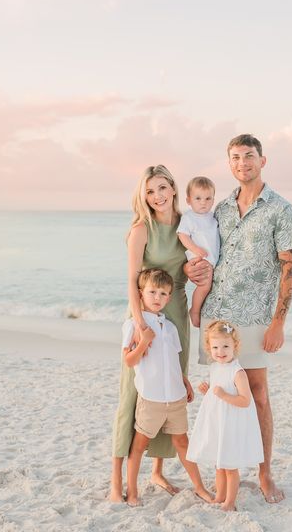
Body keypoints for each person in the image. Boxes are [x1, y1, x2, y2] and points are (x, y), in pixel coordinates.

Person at [185, 134, 292, 504]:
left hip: (255, 316)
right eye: (234, 158)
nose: (241, 163)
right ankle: (227, 469)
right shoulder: (219, 208)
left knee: (259, 395)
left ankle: (265, 473)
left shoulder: (280, 209)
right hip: (218, 315)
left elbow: (289, 268)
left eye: (248, 156)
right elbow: (208, 256)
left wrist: (278, 322)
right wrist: (193, 271)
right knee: (222, 395)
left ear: (262, 161)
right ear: (229, 164)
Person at [110, 165, 190, 502]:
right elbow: (131, 279)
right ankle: (117, 482)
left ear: (173, 188)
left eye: (162, 188)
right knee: (133, 393)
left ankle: (158, 471)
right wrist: (140, 321)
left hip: (177, 313)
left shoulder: (188, 225)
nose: (157, 196)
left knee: (170, 390)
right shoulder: (141, 228)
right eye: (150, 191)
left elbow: (200, 260)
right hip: (145, 313)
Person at [122, 268, 212, 506]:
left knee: (183, 443)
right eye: (152, 292)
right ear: (141, 294)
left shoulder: (170, 327)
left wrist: (184, 381)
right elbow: (129, 361)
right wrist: (143, 342)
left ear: (169, 297)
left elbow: (172, 360)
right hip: (150, 399)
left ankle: (200, 488)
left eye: (163, 293)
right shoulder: (134, 325)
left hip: (175, 398)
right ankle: (132, 491)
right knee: (139, 446)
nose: (157, 297)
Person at [186, 320, 263, 511]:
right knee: (219, 465)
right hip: (218, 422)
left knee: (229, 466)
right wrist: (209, 391)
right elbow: (217, 393)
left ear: (235, 346)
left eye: (226, 346)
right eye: (215, 347)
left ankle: (230, 502)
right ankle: (220, 496)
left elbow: (245, 400)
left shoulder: (238, 372)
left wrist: (223, 395)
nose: (220, 351)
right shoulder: (215, 368)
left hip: (231, 424)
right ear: (208, 348)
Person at [177, 176, 220, 327]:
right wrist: (196, 249)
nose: (203, 202)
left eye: (208, 198)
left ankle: (201, 309)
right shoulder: (189, 217)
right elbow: (182, 235)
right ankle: (194, 311)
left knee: (209, 287)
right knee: (204, 286)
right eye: (198, 198)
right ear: (189, 200)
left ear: (213, 200)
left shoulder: (212, 217)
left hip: (210, 259)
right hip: (198, 258)